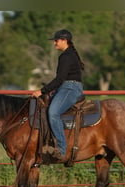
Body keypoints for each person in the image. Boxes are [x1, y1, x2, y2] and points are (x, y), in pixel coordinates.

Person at [32, 29, 84, 160]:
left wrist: (42, 91)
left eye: (56, 40)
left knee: (53, 113)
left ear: (64, 41)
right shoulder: (69, 54)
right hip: (66, 87)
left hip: (70, 88)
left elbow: (60, 79)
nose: (54, 43)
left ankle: (61, 149)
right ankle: (47, 143)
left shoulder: (66, 56)